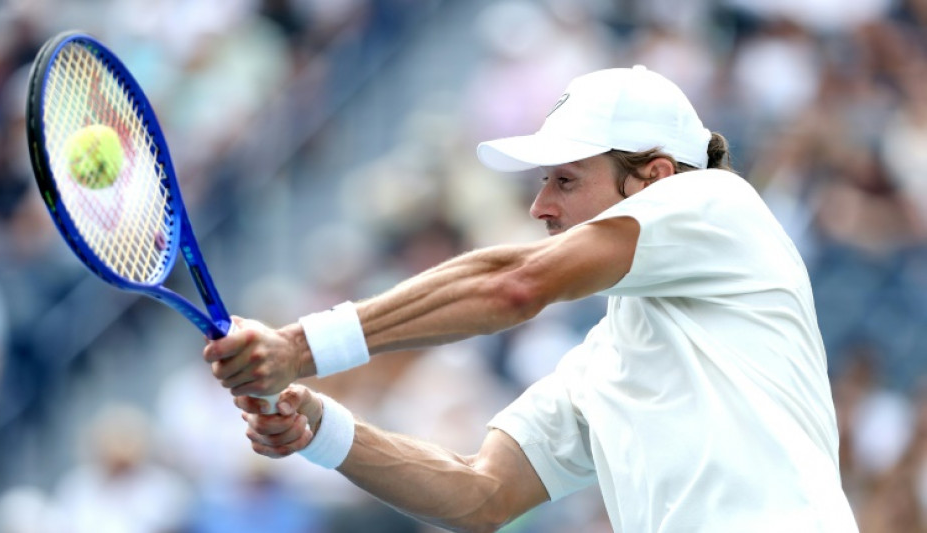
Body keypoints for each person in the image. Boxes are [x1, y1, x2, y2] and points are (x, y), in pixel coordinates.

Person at [203, 65, 859, 532]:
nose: (541, 206)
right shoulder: (602, 358)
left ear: (655, 178)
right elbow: (481, 494)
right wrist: (318, 423)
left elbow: (517, 284)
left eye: (566, 180)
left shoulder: (719, 204)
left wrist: (299, 346)